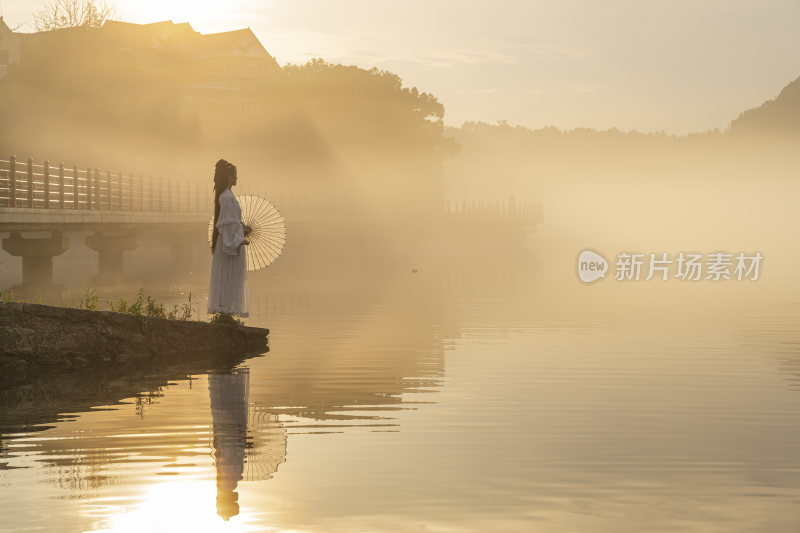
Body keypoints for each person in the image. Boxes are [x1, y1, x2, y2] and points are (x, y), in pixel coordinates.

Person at [208, 159, 251, 318]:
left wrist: (242, 229)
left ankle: (228, 314)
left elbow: (231, 222)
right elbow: (225, 225)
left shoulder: (228, 195)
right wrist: (238, 240)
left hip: (233, 242)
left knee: (232, 277)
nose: (236, 178)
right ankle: (225, 312)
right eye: (235, 175)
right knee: (228, 276)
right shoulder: (226, 197)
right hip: (230, 245)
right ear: (228, 177)